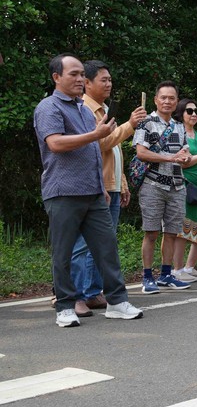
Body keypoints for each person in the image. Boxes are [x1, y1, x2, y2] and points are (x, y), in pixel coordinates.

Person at [33, 53, 143, 327]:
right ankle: (65, 307)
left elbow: (94, 151)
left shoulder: (84, 109)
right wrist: (96, 135)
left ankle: (117, 302)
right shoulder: (49, 107)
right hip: (63, 192)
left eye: (82, 74)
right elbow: (56, 143)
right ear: (56, 77)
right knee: (64, 252)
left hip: (94, 193)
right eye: (74, 74)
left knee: (107, 249)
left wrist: (100, 186)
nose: (80, 79)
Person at [68, 59, 147, 316]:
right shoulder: (83, 110)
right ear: (87, 83)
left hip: (109, 185)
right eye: (104, 80)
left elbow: (113, 150)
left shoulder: (103, 110)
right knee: (83, 243)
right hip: (92, 186)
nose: (109, 84)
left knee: (103, 243)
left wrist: (121, 183)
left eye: (110, 79)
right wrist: (130, 125)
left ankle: (92, 292)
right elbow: (99, 143)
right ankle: (76, 295)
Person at [133, 81, 192, 293]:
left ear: (177, 102)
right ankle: (147, 277)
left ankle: (166, 274)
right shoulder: (145, 123)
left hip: (177, 185)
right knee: (151, 232)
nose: (167, 101)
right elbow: (141, 152)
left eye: (172, 98)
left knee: (172, 233)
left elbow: (184, 154)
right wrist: (171, 158)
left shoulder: (179, 126)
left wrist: (185, 158)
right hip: (153, 184)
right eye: (163, 98)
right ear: (156, 100)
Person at [173, 98, 197, 282]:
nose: (194, 114)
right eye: (189, 111)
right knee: (183, 229)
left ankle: (190, 267)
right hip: (186, 186)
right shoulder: (178, 134)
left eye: (196, 111)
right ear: (181, 114)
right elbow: (185, 162)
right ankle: (177, 269)